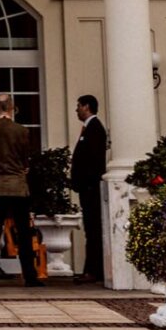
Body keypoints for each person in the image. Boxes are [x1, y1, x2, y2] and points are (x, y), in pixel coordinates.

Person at [0, 92, 45, 287]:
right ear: (11, 108)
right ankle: (29, 275)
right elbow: (25, 159)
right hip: (17, 185)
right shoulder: (21, 130)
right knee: (24, 233)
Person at [69, 93, 109, 284]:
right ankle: (91, 269)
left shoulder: (95, 128)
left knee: (93, 228)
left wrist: (84, 182)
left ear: (86, 107)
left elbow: (92, 160)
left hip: (91, 188)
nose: (76, 110)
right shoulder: (90, 128)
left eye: (78, 106)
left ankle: (93, 271)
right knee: (90, 229)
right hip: (87, 187)